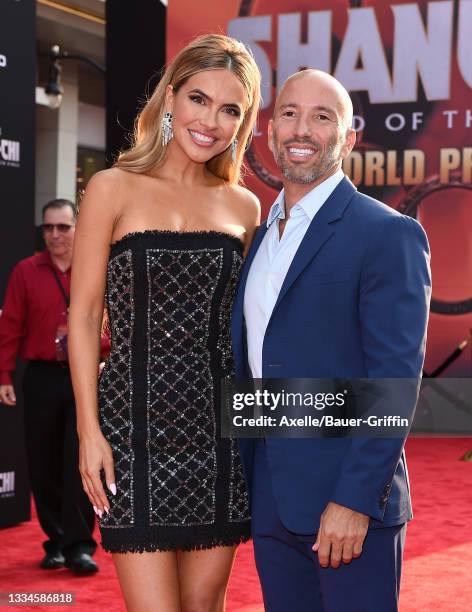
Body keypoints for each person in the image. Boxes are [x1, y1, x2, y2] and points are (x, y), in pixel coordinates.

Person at [68, 34, 261, 611]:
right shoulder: (111, 187)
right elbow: (81, 317)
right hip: (132, 433)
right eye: (199, 99)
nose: (212, 121)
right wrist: (89, 432)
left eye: (231, 109)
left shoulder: (243, 206)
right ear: (171, 97)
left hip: (219, 435)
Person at [231, 69, 431, 611]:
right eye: (290, 113)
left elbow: (393, 381)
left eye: (322, 117)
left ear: (347, 138)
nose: (302, 129)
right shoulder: (257, 236)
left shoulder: (385, 232)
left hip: (347, 504)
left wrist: (353, 500)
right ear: (270, 133)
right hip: (271, 495)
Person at [0, 199, 101, 573]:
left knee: (79, 461)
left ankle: (80, 546)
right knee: (42, 463)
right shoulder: (25, 271)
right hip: (40, 376)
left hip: (85, 376)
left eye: (63, 227)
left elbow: (110, 322)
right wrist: (3, 375)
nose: (55, 235)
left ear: (77, 227)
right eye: (48, 228)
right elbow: (10, 325)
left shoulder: (95, 268)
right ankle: (55, 541)